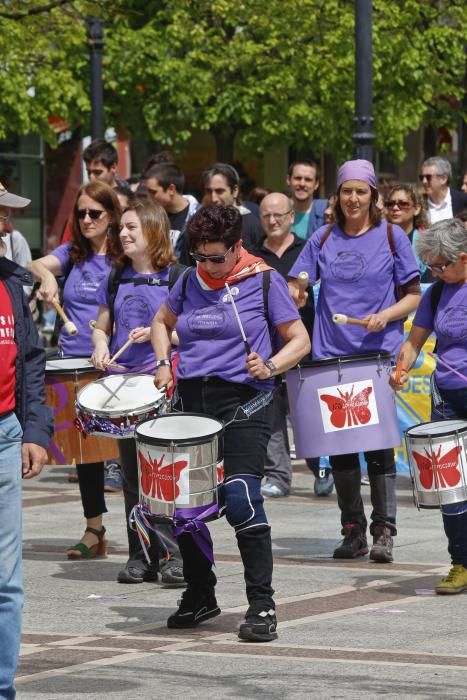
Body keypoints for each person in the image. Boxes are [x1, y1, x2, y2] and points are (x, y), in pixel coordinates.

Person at [152, 204, 310, 641]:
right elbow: (161, 323)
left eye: (217, 258)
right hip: (194, 402)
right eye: (200, 258)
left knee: (241, 497)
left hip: (246, 402)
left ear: (237, 246)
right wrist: (165, 362)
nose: (208, 267)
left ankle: (262, 605)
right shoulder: (187, 279)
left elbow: (300, 339)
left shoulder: (263, 279)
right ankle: (201, 592)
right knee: (185, 507)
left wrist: (271, 366)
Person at [288, 159, 421, 563]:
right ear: (338, 195)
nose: (353, 198)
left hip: (376, 354)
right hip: (332, 355)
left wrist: (388, 314)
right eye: (347, 191)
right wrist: (296, 292)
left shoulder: (393, 236)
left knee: (377, 445)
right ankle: (352, 530)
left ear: (372, 196)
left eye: (361, 191)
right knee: (342, 448)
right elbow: (298, 283)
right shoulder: (324, 237)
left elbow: (414, 294)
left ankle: (384, 531)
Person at [91, 199, 185, 586]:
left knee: (160, 477)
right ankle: (139, 555)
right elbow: (101, 326)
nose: (124, 234)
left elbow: (189, 333)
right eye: (122, 228)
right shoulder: (115, 278)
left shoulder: (177, 277)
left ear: (153, 230)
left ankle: (172, 557)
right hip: (125, 392)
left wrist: (158, 332)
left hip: (160, 387)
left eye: (132, 227)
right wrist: (99, 346)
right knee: (132, 479)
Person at [28, 181, 123, 558]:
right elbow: (34, 264)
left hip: (114, 364)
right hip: (75, 364)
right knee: (86, 453)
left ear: (112, 216)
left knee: (122, 452)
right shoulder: (74, 253)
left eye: (94, 213)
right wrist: (47, 277)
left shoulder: (122, 257)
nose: (86, 219)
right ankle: (93, 529)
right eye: (80, 213)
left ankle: (144, 529)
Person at [390, 218, 467, 592]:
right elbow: (413, 342)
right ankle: (460, 561)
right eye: (431, 267)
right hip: (448, 399)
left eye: (440, 266)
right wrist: (400, 368)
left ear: (463, 258)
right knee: (449, 485)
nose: (434, 272)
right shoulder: (436, 293)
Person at [0, 182, 53, 699]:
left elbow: (31, 361)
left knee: (6, 583)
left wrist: (35, 430)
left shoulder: (12, 284)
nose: (7, 226)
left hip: (5, 436)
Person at [254, 192, 333, 498]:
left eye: (278, 215)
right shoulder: (253, 255)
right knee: (272, 416)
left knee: (310, 414)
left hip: (304, 345)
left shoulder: (307, 248)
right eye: (266, 216)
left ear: (291, 217)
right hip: (267, 347)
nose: (272, 221)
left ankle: (322, 469)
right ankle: (278, 475)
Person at [141, 158, 199, 257]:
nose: (148, 197)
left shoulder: (198, 218)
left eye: (153, 192)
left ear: (171, 189)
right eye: (147, 192)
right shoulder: (149, 216)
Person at [384, 183, 432, 281]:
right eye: (390, 204)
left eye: (403, 203)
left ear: (417, 209)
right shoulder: (378, 238)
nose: (395, 208)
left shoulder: (428, 243)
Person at [287, 160, 327, 240]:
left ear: (316, 184)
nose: (302, 184)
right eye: (298, 178)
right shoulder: (278, 212)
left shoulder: (327, 213)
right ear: (288, 180)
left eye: (308, 179)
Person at [419, 156, 467, 224]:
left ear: (443, 179)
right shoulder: (418, 204)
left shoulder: (463, 201)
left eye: (428, 177)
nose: (424, 181)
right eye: (421, 177)